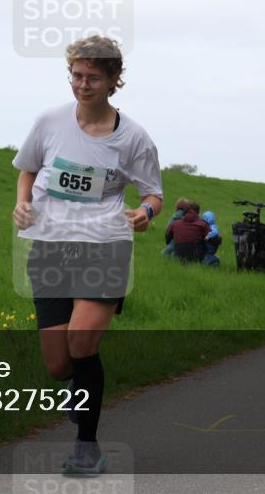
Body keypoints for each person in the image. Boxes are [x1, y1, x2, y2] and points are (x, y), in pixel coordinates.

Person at [11, 35, 163, 476]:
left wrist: (145, 213)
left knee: (82, 342)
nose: (83, 85)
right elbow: (29, 168)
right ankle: (80, 388)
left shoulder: (134, 137)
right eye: (76, 76)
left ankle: (87, 446)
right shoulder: (50, 121)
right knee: (60, 366)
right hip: (51, 244)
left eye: (93, 77)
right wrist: (22, 203)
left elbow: (153, 194)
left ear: (115, 80)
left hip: (104, 245)